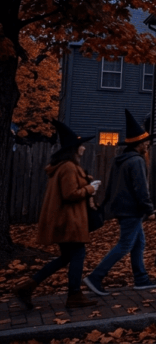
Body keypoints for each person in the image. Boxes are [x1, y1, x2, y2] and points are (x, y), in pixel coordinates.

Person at [14, 121, 100, 310]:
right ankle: (74, 295)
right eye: (81, 145)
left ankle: (28, 286)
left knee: (66, 257)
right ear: (74, 149)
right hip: (69, 221)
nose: (84, 148)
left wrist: (87, 182)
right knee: (78, 255)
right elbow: (70, 194)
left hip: (66, 220)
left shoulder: (65, 167)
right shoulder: (68, 167)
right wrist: (90, 188)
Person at [84, 111, 156, 296]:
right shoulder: (136, 161)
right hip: (131, 210)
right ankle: (96, 277)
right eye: (146, 142)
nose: (148, 144)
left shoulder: (120, 161)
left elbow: (112, 185)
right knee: (125, 244)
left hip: (122, 208)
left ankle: (141, 279)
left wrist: (108, 205)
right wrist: (149, 210)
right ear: (139, 144)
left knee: (139, 243)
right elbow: (141, 189)